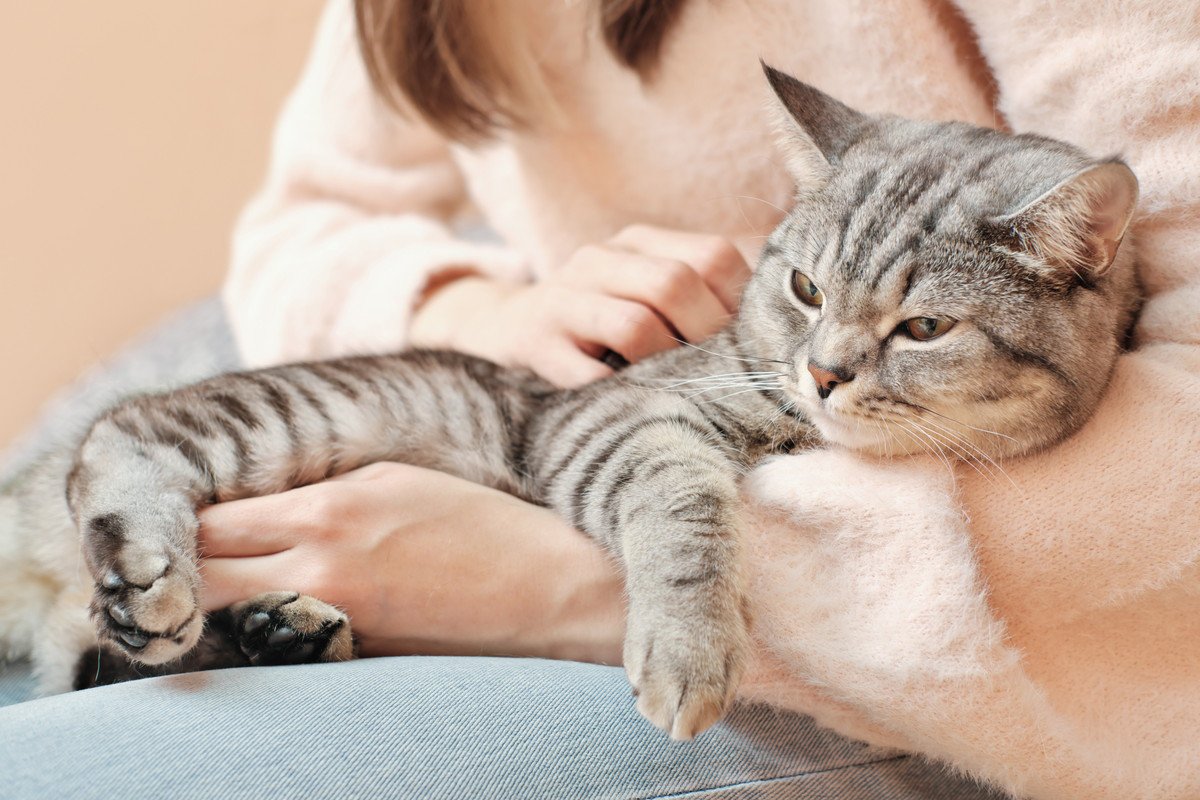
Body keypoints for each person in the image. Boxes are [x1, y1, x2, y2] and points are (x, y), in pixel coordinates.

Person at [3, 1, 1197, 798]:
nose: (832, 364)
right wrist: (478, 311)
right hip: (561, 432)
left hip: (948, 654)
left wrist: (565, 587)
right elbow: (311, 216)